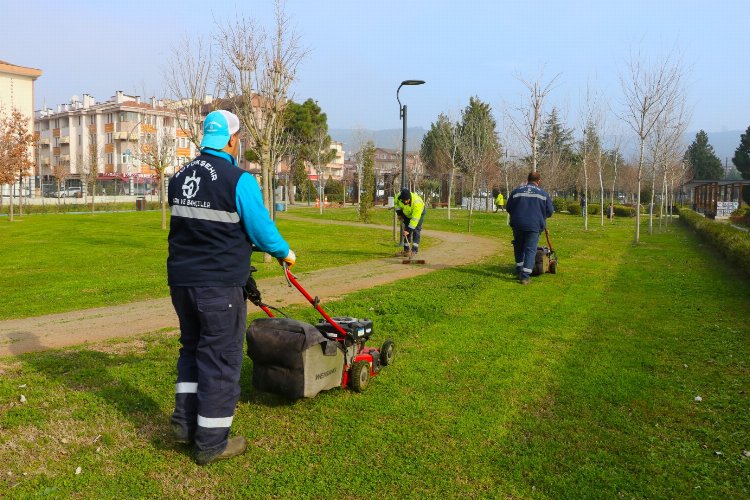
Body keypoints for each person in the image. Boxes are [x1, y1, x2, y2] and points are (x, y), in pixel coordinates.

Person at [167, 110, 296, 465]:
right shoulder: (239, 180)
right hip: (218, 287)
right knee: (220, 359)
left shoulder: (178, 176)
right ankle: (211, 442)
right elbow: (259, 228)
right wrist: (284, 253)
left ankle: (184, 423)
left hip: (182, 283)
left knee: (192, 349)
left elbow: (198, 225)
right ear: (232, 140)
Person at [506, 171, 554, 285]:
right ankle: (525, 276)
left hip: (518, 224)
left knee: (518, 248)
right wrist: (540, 216)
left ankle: (519, 270)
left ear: (527, 179)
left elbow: (509, 208)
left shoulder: (516, 191)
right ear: (539, 181)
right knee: (530, 249)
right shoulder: (543, 194)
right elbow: (550, 212)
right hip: (534, 225)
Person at [394, 188, 426, 255]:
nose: (405, 202)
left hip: (418, 214)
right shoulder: (398, 197)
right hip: (407, 213)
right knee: (406, 230)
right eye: (404, 200)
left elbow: (415, 219)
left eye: (407, 200)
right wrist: (400, 214)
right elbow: (396, 205)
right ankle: (406, 251)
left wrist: (409, 230)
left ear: (410, 198)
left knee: (416, 229)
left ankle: (414, 250)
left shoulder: (417, 203)